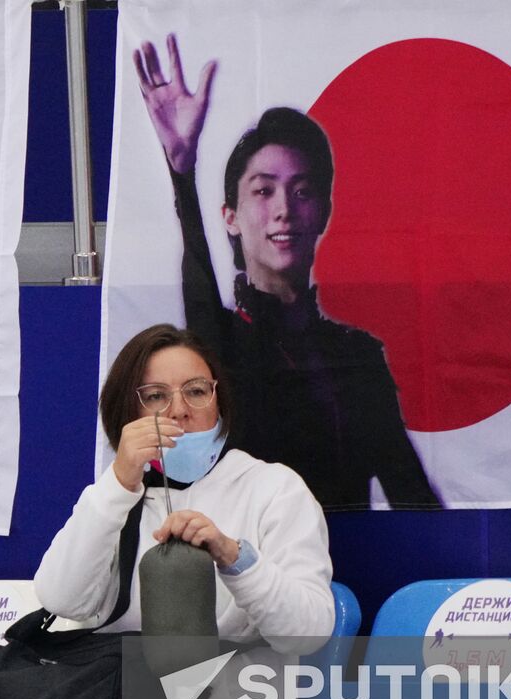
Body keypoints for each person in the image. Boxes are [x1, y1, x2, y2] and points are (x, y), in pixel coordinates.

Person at [0, 323, 334, 699]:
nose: (179, 411)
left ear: (219, 400)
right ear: (129, 413)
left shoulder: (274, 489)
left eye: (196, 391)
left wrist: (235, 558)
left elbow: (309, 631)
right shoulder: (118, 498)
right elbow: (61, 597)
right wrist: (118, 483)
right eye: (156, 397)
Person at [134, 35, 440, 510]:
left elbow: (415, 499)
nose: (284, 211)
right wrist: (182, 172)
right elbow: (199, 298)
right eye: (263, 191)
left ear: (324, 212)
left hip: (341, 571)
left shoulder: (358, 356)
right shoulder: (219, 343)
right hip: (239, 565)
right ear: (230, 217)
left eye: (301, 192)